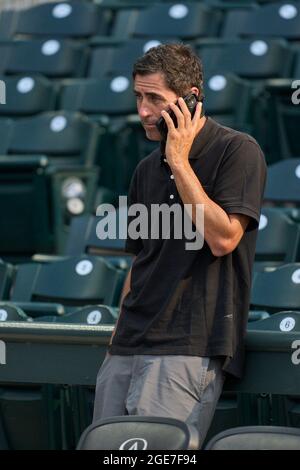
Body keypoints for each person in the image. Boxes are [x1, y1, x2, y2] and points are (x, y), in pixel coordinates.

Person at [93, 44, 267, 447]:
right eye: (138, 97)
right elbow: (141, 261)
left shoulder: (238, 151)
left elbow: (223, 238)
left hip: (186, 346)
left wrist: (179, 160)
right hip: (126, 346)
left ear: (190, 98)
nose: (143, 111)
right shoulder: (144, 169)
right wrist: (118, 334)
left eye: (155, 98)